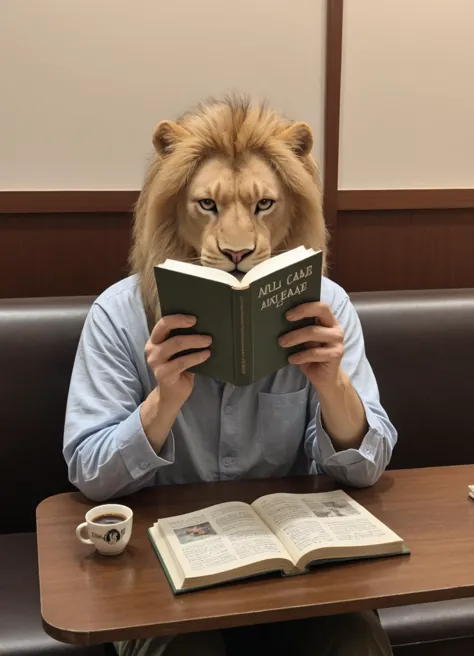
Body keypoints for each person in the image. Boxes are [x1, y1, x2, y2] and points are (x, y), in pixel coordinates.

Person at [63, 97, 396, 655]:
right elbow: (89, 475)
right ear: (174, 210)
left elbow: (369, 470)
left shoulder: (328, 307)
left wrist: (331, 383)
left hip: (292, 566)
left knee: (352, 640)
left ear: (292, 209)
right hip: (163, 569)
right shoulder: (118, 315)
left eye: (264, 205)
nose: (238, 240)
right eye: (209, 207)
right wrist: (161, 403)